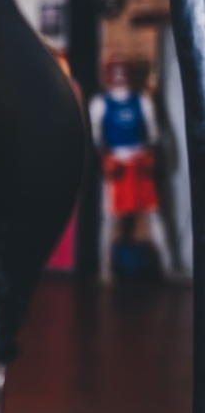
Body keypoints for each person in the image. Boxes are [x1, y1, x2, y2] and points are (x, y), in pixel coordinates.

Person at [89, 58, 172, 283]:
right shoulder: (100, 103)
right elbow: (96, 137)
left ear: (130, 74)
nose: (119, 78)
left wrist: (150, 156)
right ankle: (104, 270)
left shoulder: (142, 100)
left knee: (154, 214)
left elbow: (153, 133)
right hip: (116, 165)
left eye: (123, 72)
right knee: (109, 217)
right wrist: (104, 159)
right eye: (114, 73)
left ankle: (168, 266)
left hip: (139, 163)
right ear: (108, 75)